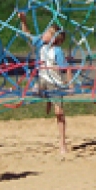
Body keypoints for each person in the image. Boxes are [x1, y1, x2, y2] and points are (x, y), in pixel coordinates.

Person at [18, 12, 69, 155]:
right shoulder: (41, 44)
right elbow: (26, 34)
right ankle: (45, 96)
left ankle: (62, 143)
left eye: (48, 32)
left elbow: (65, 67)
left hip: (55, 83)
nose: (44, 33)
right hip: (43, 80)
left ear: (54, 38)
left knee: (59, 112)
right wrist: (24, 20)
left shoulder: (57, 51)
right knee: (36, 86)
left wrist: (68, 83)